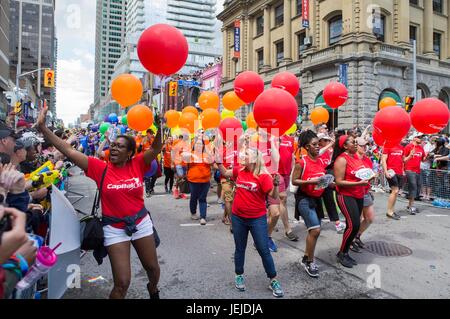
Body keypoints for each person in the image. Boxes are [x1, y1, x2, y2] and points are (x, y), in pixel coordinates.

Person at [36, 104, 162, 299]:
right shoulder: (98, 167)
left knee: (153, 269)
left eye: (120, 146)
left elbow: (156, 148)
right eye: (113, 145)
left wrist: (159, 126)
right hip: (114, 229)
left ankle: (153, 289)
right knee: (122, 283)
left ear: (129, 153)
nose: (114, 148)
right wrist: (43, 128)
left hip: (141, 224)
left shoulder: (138, 164)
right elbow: (68, 150)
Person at [218, 144, 284, 298]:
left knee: (263, 249)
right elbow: (225, 173)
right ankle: (239, 275)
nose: (242, 156)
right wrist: (218, 162)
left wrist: (275, 185)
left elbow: (274, 197)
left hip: (257, 219)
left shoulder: (263, 176)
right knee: (239, 248)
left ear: (254, 158)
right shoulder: (238, 171)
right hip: (238, 217)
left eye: (246, 154)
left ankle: (273, 279)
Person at [291, 131, 326, 277]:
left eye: (319, 144)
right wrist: (310, 182)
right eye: (315, 145)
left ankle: (306, 257)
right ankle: (310, 262)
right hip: (304, 199)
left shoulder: (321, 161)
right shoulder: (301, 162)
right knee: (316, 230)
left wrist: (330, 182)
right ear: (307, 147)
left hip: (317, 199)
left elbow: (322, 180)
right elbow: (294, 181)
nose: (318, 147)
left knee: (314, 232)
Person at [332, 134, 368, 268]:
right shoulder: (341, 160)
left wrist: (368, 177)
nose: (356, 144)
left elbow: (359, 175)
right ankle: (342, 253)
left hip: (358, 195)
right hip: (346, 195)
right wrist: (359, 184)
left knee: (352, 226)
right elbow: (339, 182)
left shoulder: (356, 157)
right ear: (345, 146)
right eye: (353, 142)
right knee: (354, 225)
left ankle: (345, 252)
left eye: (355, 142)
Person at [317, 133, 346, 233]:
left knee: (329, 200)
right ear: (319, 141)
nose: (327, 142)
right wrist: (330, 144)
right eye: (325, 140)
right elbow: (319, 153)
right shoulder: (316, 150)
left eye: (328, 140)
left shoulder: (329, 151)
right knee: (318, 201)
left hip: (326, 178)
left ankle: (337, 223)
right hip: (317, 179)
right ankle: (317, 223)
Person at [352, 137, 376, 252]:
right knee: (356, 219)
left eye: (366, 145)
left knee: (370, 218)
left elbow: (368, 176)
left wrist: (372, 178)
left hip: (365, 191)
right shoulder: (351, 159)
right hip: (354, 192)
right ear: (356, 146)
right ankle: (350, 240)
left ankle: (357, 236)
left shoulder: (368, 160)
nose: (365, 147)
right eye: (362, 146)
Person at [186, 133, 213, 225]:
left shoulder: (206, 154)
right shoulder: (190, 154)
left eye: (200, 144)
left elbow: (212, 162)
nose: (198, 145)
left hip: (205, 180)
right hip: (193, 180)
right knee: (194, 197)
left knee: (202, 198)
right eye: (197, 144)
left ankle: (203, 217)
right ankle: (193, 212)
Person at [278, 133, 299, 242]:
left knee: (276, 201)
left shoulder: (290, 139)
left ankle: (269, 221)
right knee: (283, 198)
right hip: (276, 173)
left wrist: (292, 172)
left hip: (287, 173)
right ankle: (288, 229)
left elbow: (291, 156)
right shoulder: (271, 137)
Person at [381, 141, 405, 220]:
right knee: (395, 190)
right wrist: (386, 171)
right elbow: (383, 159)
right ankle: (389, 212)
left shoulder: (401, 147)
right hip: (391, 171)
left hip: (400, 172)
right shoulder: (388, 145)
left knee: (396, 192)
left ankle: (391, 210)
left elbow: (403, 160)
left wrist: (411, 155)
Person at [403, 134, 426, 214]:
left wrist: (428, 156)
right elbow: (404, 160)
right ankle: (411, 206)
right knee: (413, 187)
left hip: (417, 171)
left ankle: (410, 205)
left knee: (417, 188)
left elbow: (423, 159)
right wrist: (410, 155)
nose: (421, 139)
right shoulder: (408, 147)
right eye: (419, 137)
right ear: (414, 138)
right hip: (409, 170)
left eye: (421, 137)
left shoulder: (420, 148)